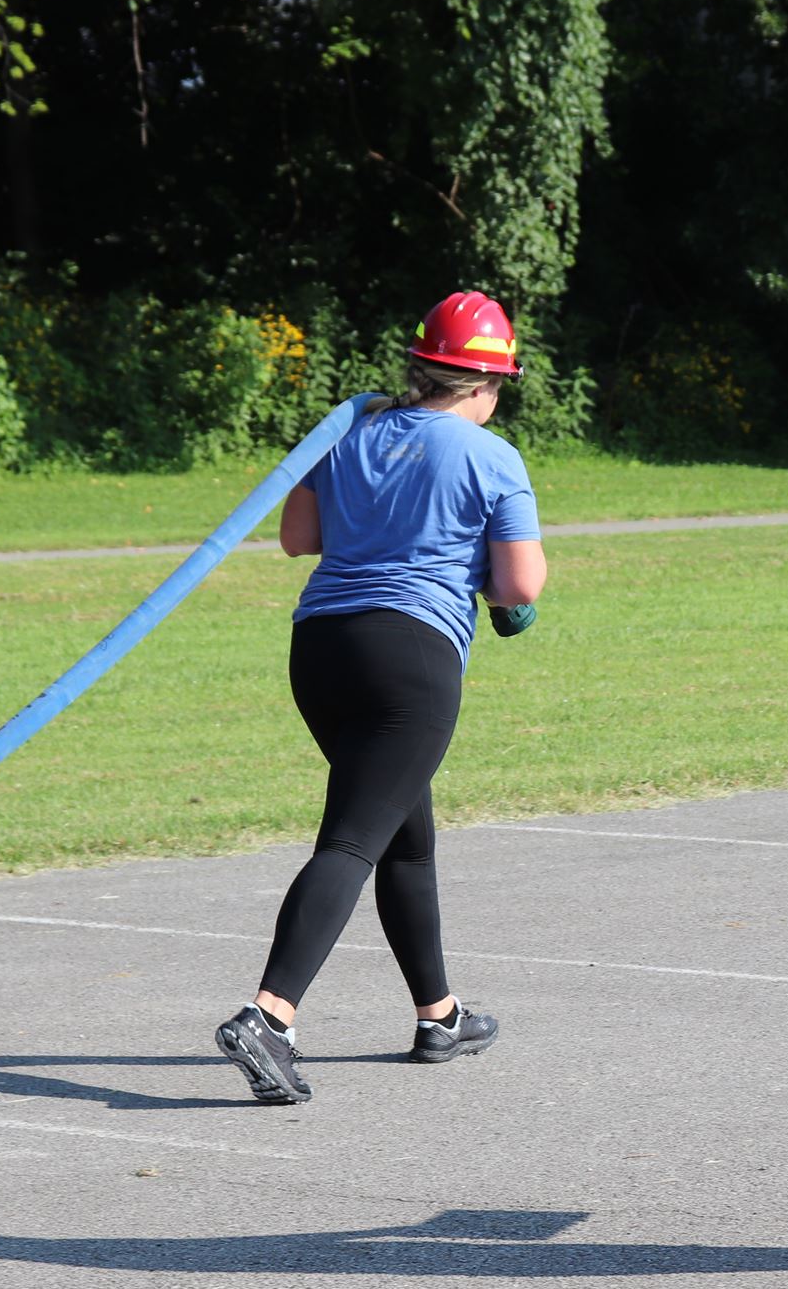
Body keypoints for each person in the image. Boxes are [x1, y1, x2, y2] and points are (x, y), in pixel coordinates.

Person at [214, 291, 548, 1104]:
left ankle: (440, 1016)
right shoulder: (492, 455)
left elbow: (298, 538)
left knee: (407, 837)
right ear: (486, 384)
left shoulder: (350, 433)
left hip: (321, 649)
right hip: (412, 661)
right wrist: (497, 591)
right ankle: (269, 1016)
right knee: (353, 839)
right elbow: (519, 584)